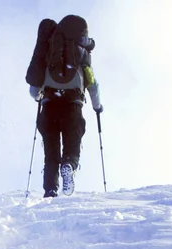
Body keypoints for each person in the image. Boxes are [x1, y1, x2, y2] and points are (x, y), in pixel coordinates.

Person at [28, 15, 103, 198]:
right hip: (72, 105)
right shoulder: (82, 54)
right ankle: (69, 164)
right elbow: (92, 84)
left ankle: (50, 189)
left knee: (51, 152)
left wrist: (39, 96)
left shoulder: (48, 53)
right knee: (72, 145)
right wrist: (97, 107)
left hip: (49, 106)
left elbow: (34, 90)